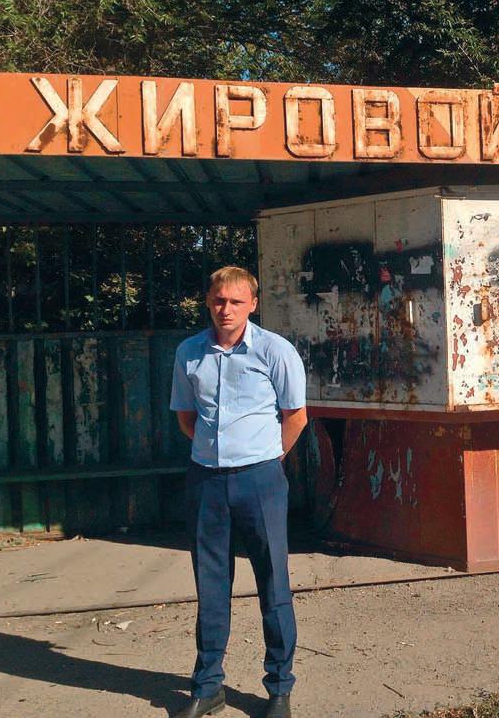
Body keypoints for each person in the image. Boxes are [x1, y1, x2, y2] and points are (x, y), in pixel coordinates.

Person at [170, 266, 308, 718]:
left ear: (253, 304)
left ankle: (279, 689)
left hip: (260, 480)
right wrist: (217, 454)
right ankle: (208, 686)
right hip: (206, 481)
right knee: (211, 586)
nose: (225, 309)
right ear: (208, 302)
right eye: (218, 300)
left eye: (235, 301)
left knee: (273, 583)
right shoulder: (190, 352)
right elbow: (186, 418)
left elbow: (296, 416)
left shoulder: (275, 351)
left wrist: (266, 458)